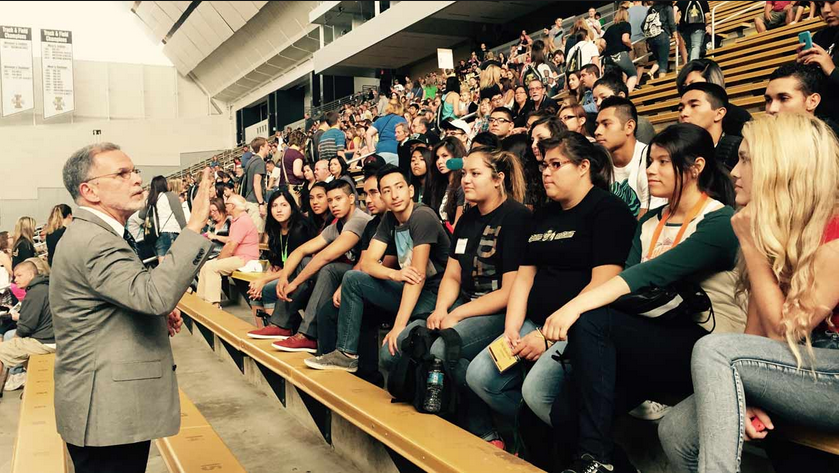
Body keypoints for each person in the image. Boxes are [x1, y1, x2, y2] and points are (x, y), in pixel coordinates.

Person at [540, 123, 742, 473]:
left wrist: (573, 307)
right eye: (650, 161)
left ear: (696, 167)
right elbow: (629, 286)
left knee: (590, 319)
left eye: (663, 162)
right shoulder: (649, 221)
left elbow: (648, 274)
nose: (651, 170)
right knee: (565, 414)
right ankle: (605, 463)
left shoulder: (720, 220)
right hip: (650, 337)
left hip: (703, 345)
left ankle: (595, 459)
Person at [659, 113, 839, 473]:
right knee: (675, 430)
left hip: (832, 372)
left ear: (781, 167)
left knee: (713, 349)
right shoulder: (777, 231)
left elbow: (783, 332)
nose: (734, 172)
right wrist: (744, 389)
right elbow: (754, 338)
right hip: (797, 364)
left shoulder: (833, 237)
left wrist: (752, 245)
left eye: (746, 160)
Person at [466, 132, 636, 452]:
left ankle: (596, 455)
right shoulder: (544, 215)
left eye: (556, 165)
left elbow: (604, 282)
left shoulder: (608, 210)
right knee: (480, 377)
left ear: (583, 167)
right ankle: (538, 436)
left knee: (536, 393)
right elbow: (524, 277)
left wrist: (546, 336)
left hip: (576, 328)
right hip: (533, 323)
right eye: (544, 165)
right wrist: (512, 327)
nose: (546, 172)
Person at [51, 143, 213, 473]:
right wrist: (194, 224)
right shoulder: (95, 241)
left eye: (134, 170)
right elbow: (154, 295)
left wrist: (154, 312)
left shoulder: (99, 233)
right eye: (121, 174)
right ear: (90, 191)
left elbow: (125, 295)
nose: (136, 179)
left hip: (110, 406)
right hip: (106, 410)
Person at [381, 148, 531, 447]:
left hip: (499, 309)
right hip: (463, 303)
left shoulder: (517, 217)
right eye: (464, 174)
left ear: (498, 179)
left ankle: (487, 433)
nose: (466, 180)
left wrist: (457, 315)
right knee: (396, 348)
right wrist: (440, 309)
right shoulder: (467, 219)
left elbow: (509, 292)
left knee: (442, 348)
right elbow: (452, 275)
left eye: (475, 174)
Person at [305, 165, 450, 372]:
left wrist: (398, 326)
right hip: (408, 287)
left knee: (389, 351)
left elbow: (417, 278)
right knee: (352, 279)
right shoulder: (390, 219)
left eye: (399, 187)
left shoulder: (422, 216)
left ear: (410, 190)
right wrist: (395, 274)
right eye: (387, 191)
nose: (394, 195)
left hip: (434, 293)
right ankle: (345, 355)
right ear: (383, 196)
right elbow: (367, 263)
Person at [251, 180, 373, 353]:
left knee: (328, 268)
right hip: (348, 273)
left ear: (352, 198)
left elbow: (326, 256)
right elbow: (301, 250)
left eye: (338, 199)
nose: (333, 204)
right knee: (304, 261)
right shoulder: (337, 225)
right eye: (330, 200)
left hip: (365, 277)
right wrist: (284, 277)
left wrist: (294, 283)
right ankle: (280, 325)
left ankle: (308, 335)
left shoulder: (358, 220)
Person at [245, 188, 318, 329]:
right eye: (274, 206)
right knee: (254, 292)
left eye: (284, 205)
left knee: (267, 289)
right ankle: (263, 331)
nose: (279, 210)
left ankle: (278, 329)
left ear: (292, 207)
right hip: (286, 274)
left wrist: (263, 281)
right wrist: (260, 281)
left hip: (302, 276)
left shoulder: (299, 229)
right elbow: (277, 265)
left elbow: (294, 267)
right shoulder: (276, 230)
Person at [594, 97, 667, 218]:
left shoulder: (650, 159)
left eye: (606, 124)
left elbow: (647, 220)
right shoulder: (600, 163)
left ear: (629, 126)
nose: (597, 131)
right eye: (597, 125)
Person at [196, 194, 259, 308]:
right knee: (205, 266)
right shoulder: (237, 220)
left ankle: (213, 305)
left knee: (212, 267)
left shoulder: (242, 221)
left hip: (245, 259)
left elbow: (230, 247)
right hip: (238, 257)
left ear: (233, 206)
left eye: (227, 204)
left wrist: (219, 260)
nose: (225, 206)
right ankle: (201, 302)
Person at [0, 261, 55, 391]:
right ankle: (33, 383)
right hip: (52, 338)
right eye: (15, 276)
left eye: (19, 275)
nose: (15, 280)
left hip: (44, 342)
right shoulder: (46, 287)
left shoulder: (34, 293)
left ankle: (18, 378)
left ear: (31, 274)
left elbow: (26, 326)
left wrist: (15, 338)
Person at [676, 58, 753, 136]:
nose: (688, 90)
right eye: (684, 86)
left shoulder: (738, 118)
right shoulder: (682, 122)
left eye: (694, 84)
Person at [679, 82, 742, 170]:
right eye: (680, 109)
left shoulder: (739, 149)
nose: (683, 114)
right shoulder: (677, 152)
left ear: (719, 114)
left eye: (694, 105)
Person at [799, 0, 839, 124]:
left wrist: (832, 70)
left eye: (832, 2)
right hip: (821, 120)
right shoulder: (820, 37)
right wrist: (802, 68)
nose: (826, 10)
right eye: (821, 5)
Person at [591, 74, 656, 143]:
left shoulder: (640, 125)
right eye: (595, 100)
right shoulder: (596, 126)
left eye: (604, 97)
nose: (598, 103)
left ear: (621, 96)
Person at [426, 138, 467, 232]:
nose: (439, 161)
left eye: (444, 156)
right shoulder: (439, 185)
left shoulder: (462, 186)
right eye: (437, 157)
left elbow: (456, 227)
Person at [144, 175, 187, 262]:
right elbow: (179, 216)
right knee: (176, 261)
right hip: (171, 230)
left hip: (157, 233)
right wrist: (186, 232)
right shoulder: (171, 195)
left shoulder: (150, 199)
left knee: (163, 261)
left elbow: (141, 215)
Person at [602, 8, 639, 92]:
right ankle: (626, 95)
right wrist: (630, 46)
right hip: (620, 54)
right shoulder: (626, 25)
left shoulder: (610, 28)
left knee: (613, 80)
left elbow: (602, 42)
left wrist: (608, 49)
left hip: (608, 57)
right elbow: (625, 39)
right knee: (633, 74)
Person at [368, 99, 409, 166]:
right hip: (396, 152)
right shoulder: (402, 120)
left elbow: (368, 133)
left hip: (381, 152)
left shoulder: (380, 120)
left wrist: (371, 148)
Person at [240, 136, 269, 231]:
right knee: (258, 233)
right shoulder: (260, 162)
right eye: (267, 146)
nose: (269, 148)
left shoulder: (250, 161)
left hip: (248, 200)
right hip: (255, 203)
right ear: (261, 147)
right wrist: (261, 204)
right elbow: (256, 184)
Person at [644, 0, 677, 80]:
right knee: (663, 62)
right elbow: (671, 23)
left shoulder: (651, 10)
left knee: (660, 58)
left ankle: (651, 72)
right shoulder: (667, 8)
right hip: (662, 36)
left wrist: (648, 38)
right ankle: (661, 80)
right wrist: (676, 37)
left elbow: (643, 25)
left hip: (651, 39)